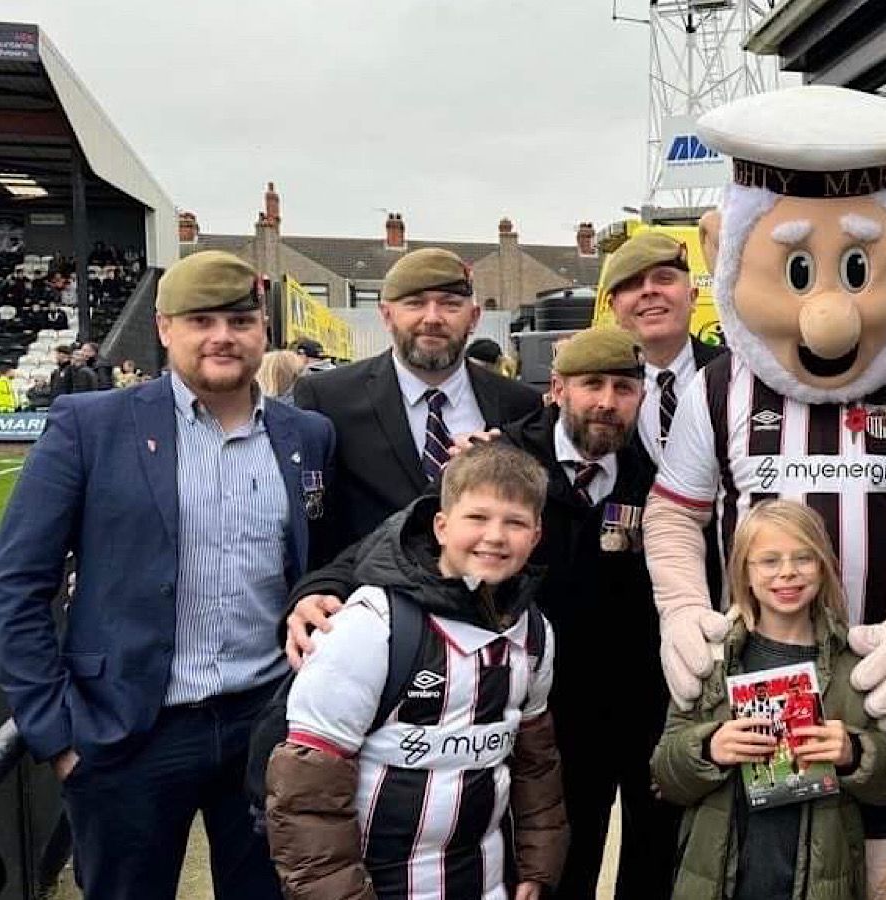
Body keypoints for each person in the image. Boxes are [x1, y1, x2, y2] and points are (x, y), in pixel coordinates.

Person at [641, 86, 886, 899]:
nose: (829, 317)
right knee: (757, 866)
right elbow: (675, 513)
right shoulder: (720, 387)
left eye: (861, 268)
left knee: (883, 870)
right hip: (751, 696)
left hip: (870, 695)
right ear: (723, 250)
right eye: (795, 271)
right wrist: (682, 608)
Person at [286, 326, 680, 900]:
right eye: (592, 384)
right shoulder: (505, 460)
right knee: (556, 865)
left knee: (653, 861)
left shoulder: (659, 471)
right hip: (531, 708)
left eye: (624, 387)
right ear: (558, 389)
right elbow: (409, 536)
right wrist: (320, 587)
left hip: (637, 703)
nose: (607, 401)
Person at [0, 250, 336, 900]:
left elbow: (324, 564)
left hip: (264, 723)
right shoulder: (90, 426)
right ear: (164, 328)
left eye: (239, 319)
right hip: (128, 732)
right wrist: (56, 731)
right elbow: (18, 582)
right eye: (200, 319)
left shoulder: (307, 434)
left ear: (261, 330)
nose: (222, 336)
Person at [265, 441, 567, 900]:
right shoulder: (370, 626)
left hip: (485, 880)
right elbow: (306, 796)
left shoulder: (535, 635)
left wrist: (538, 865)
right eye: (477, 518)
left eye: (515, 522)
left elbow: (535, 764)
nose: (496, 536)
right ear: (441, 526)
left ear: (537, 535)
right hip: (375, 885)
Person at [652, 500, 886, 900]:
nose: (787, 572)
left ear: (822, 567)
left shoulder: (854, 664)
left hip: (820, 883)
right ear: (745, 573)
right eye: (769, 561)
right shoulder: (712, 658)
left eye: (803, 558)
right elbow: (665, 774)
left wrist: (854, 752)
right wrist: (708, 747)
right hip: (719, 880)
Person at [292, 247, 542, 570]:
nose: (433, 318)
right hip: (371, 603)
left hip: (483, 606)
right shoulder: (327, 397)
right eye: (415, 303)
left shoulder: (519, 404)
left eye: (450, 305)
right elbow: (316, 526)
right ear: (386, 315)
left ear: (475, 317)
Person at [598, 230, 726, 461]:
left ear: (693, 297)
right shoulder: (593, 392)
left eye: (664, 278)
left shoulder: (737, 375)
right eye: (632, 283)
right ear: (613, 307)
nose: (649, 290)